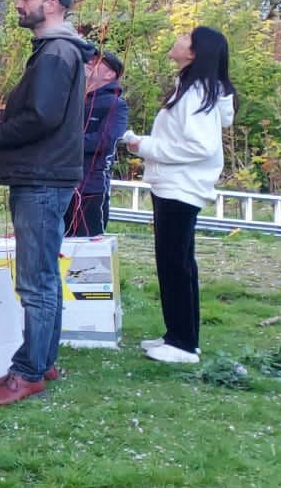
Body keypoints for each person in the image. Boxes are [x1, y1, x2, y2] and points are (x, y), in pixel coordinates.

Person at [0, 0, 94, 407]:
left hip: (41, 179)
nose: (19, 6)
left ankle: (28, 374)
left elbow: (42, 120)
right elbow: (47, 110)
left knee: (36, 282)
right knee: (43, 277)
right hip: (45, 176)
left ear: (54, 4)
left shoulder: (57, 53)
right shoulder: (57, 51)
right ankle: (41, 361)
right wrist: (5, 114)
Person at [125, 26, 236, 366]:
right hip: (176, 185)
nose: (178, 38)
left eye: (187, 37)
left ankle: (183, 344)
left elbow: (199, 146)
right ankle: (179, 335)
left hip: (180, 187)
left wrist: (145, 147)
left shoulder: (194, 94)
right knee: (179, 263)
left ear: (194, 54)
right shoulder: (192, 90)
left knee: (175, 263)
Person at [67, 50, 129, 237]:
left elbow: (103, 141)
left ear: (110, 74)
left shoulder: (116, 105)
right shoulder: (72, 100)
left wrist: (61, 144)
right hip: (60, 185)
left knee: (87, 248)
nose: (89, 62)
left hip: (91, 188)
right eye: (89, 59)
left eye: (97, 61)